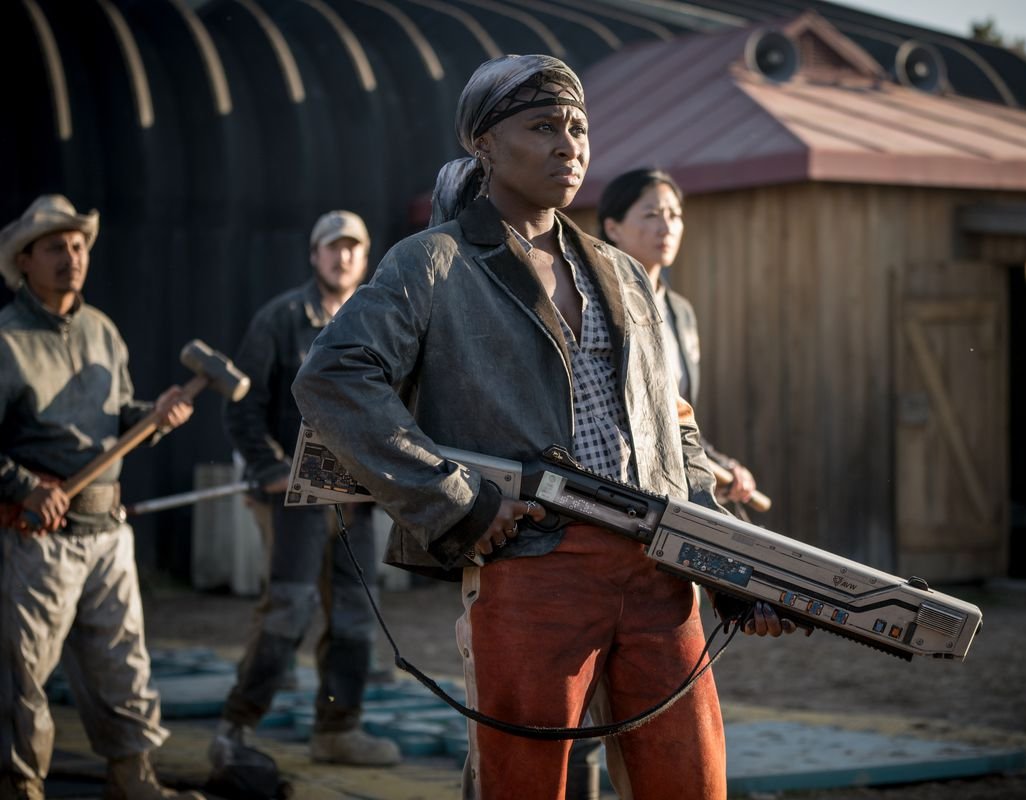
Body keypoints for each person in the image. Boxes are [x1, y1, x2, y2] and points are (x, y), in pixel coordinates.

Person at [291, 54, 797, 800]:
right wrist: (453, 500)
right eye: (543, 126)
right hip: (533, 564)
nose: (570, 144)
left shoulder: (621, 274)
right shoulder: (431, 264)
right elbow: (332, 378)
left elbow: (673, 432)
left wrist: (722, 560)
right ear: (485, 145)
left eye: (579, 128)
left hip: (659, 570)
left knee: (692, 781)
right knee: (524, 787)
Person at [0, 195, 199, 800]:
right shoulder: (6, 342)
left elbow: (119, 423)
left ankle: (134, 780)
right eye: (56, 247)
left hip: (106, 532)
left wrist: (157, 416)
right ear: (25, 261)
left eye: (79, 244)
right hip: (38, 539)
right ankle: (19, 786)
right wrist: (22, 486)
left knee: (123, 665)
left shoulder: (102, 331)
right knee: (22, 679)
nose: (72, 257)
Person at [208, 211, 400, 768]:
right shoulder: (281, 319)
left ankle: (337, 730)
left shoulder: (381, 320)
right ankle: (236, 727)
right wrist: (268, 469)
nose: (342, 257)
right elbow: (242, 409)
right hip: (294, 497)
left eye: (352, 248)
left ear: (365, 257)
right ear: (314, 255)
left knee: (355, 615)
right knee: (287, 611)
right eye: (331, 247)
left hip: (357, 498)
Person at [598, 168, 759, 512]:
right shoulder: (599, 304)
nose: (666, 226)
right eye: (652, 215)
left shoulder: (680, 312)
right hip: (622, 472)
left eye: (674, 215)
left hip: (679, 464)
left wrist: (722, 465)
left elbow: (677, 412)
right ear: (612, 228)